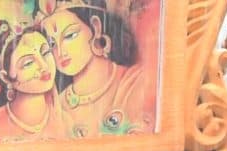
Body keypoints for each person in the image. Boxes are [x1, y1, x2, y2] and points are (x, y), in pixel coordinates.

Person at [42, 0, 154, 137]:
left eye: (69, 35)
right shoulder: (56, 108)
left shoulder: (136, 81)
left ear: (96, 28)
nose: (59, 51)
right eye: (52, 43)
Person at [0, 19, 63, 142]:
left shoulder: (65, 118)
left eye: (45, 53)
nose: (44, 66)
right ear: (6, 77)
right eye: (28, 63)